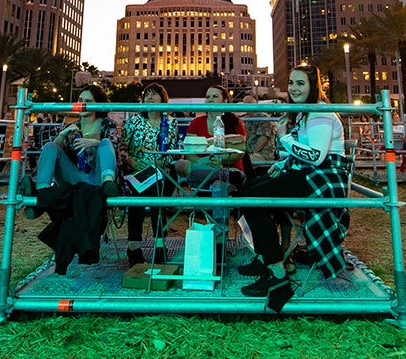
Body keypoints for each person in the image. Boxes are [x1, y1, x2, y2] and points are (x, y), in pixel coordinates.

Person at [236, 64, 348, 312]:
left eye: (301, 83)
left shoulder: (319, 112)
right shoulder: (303, 113)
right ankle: (268, 257)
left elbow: (317, 156)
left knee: (253, 196)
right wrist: (284, 162)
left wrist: (285, 139)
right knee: (248, 189)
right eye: (292, 83)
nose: (294, 88)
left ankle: (277, 274)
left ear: (312, 86)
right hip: (307, 174)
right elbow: (305, 153)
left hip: (323, 179)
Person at [119, 81, 176, 266]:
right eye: (147, 94)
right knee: (140, 194)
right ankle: (136, 246)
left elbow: (174, 150)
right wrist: (134, 163)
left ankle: (157, 245)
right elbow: (122, 147)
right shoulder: (134, 120)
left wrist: (162, 165)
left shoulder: (171, 122)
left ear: (163, 98)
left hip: (162, 172)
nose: (149, 97)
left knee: (157, 190)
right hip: (137, 171)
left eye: (154, 94)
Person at [34, 85, 119, 198]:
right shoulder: (71, 127)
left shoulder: (107, 124)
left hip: (99, 176)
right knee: (50, 146)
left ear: (97, 103)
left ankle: (108, 183)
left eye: (88, 101)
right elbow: (53, 154)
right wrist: (61, 136)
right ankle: (42, 191)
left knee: (106, 142)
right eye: (80, 100)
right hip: (75, 177)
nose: (82, 104)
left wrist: (95, 143)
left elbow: (115, 150)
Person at [175, 84, 247, 188]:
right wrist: (203, 161)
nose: (210, 100)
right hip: (201, 165)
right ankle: (224, 176)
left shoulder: (235, 122)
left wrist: (215, 159)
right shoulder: (196, 122)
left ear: (225, 101)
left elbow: (240, 151)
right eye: (207, 97)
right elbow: (189, 152)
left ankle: (190, 180)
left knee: (218, 184)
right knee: (180, 164)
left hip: (228, 166)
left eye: (215, 96)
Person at [243, 95, 277, 175]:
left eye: (249, 103)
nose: (246, 106)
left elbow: (263, 140)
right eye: (244, 103)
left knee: (242, 163)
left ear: (255, 104)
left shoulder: (263, 118)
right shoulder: (246, 119)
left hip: (263, 154)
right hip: (250, 153)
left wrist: (251, 152)